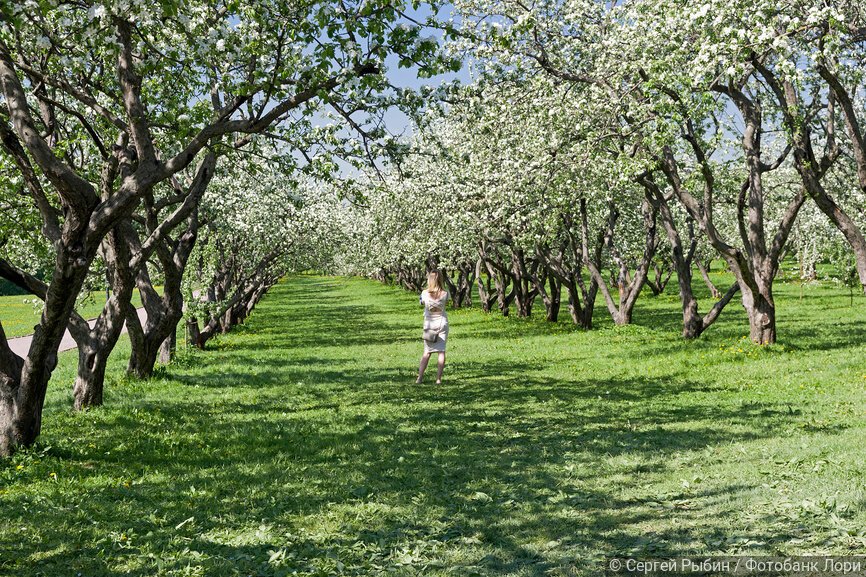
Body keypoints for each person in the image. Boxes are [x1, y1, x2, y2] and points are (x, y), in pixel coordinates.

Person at [416, 270, 449, 384]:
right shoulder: (445, 293)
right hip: (441, 323)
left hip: (429, 324)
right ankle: (438, 379)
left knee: (427, 352)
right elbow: (446, 303)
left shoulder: (424, 293)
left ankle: (420, 378)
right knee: (441, 351)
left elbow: (421, 303)